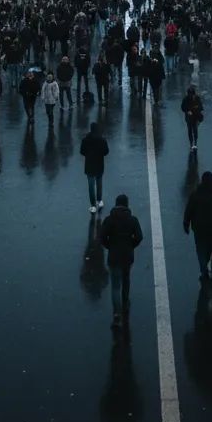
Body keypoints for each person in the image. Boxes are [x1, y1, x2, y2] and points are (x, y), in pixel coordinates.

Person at [98, 194, 144, 327]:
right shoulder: (132, 220)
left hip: (114, 256)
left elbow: (101, 237)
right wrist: (131, 245)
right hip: (127, 255)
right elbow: (139, 237)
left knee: (115, 286)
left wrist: (109, 246)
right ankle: (125, 301)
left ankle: (117, 313)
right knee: (126, 279)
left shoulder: (109, 220)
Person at [183, 170, 212, 285]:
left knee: (200, 248)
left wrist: (186, 223)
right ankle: (206, 264)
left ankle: (203, 268)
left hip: (198, 228)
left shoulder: (195, 195)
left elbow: (188, 210)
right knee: (209, 249)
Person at [80, 122, 110, 213]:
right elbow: (106, 152)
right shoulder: (102, 140)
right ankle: (99, 200)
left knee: (91, 186)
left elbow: (82, 151)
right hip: (99, 164)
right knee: (99, 183)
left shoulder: (85, 140)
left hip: (89, 165)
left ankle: (93, 205)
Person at [181, 86, 204, 151]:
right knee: (190, 130)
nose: (190, 95)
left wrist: (197, 109)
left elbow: (201, 107)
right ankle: (191, 143)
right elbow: (182, 108)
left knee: (195, 129)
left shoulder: (197, 98)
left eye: (192, 94)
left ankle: (195, 143)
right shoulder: (185, 99)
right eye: (189, 94)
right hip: (188, 117)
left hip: (195, 117)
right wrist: (187, 111)